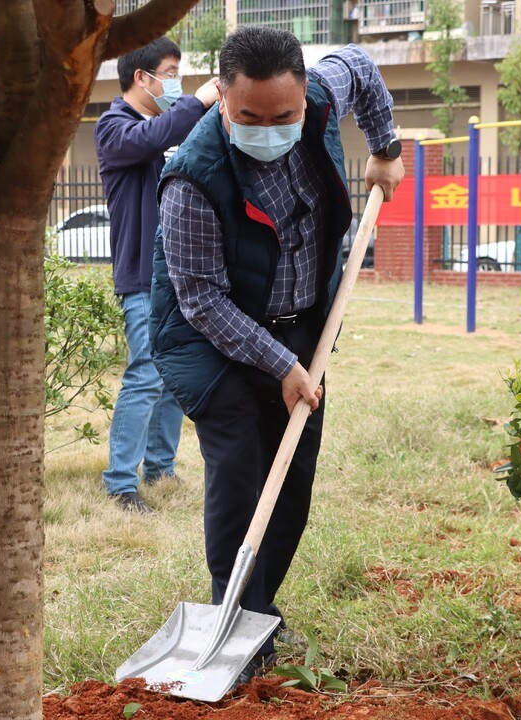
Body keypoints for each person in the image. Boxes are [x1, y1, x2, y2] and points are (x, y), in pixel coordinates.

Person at [150, 26, 404, 680]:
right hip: (211, 340)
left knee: (293, 477)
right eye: (249, 117)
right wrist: (280, 365)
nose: (269, 127)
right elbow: (202, 301)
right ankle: (238, 621)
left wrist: (385, 148)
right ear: (222, 103)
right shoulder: (192, 179)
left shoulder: (321, 94)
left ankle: (260, 606)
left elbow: (362, 66)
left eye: (283, 116)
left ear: (304, 98)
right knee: (241, 469)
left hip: (300, 328)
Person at [95, 37, 218, 514]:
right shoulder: (114, 128)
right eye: (169, 71)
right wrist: (199, 100)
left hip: (178, 277)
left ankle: (160, 469)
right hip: (142, 277)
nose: (176, 80)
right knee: (145, 375)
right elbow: (153, 137)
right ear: (141, 77)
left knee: (170, 378)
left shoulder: (169, 129)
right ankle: (120, 484)